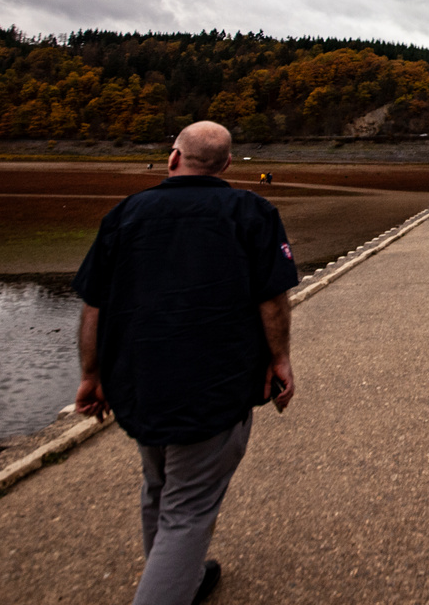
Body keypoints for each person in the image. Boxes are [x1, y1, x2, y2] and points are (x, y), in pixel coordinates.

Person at [72, 121, 298, 605]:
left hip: (138, 382)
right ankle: (173, 583)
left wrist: (92, 374)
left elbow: (94, 306)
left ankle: (185, 579)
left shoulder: (126, 214)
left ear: (173, 158)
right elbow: (272, 300)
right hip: (216, 384)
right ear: (228, 166)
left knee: (158, 486)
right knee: (188, 510)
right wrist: (280, 359)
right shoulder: (251, 212)